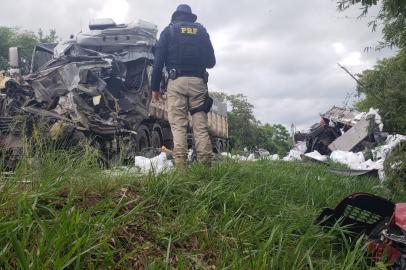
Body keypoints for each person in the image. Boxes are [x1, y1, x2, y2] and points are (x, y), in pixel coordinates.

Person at [151, 4, 216, 166]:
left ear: (176, 16)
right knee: (200, 126)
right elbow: (211, 62)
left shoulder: (169, 31)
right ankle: (205, 166)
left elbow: (158, 63)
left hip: (176, 83)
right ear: (190, 16)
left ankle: (181, 167)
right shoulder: (201, 31)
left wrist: (155, 88)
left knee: (178, 125)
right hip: (198, 83)